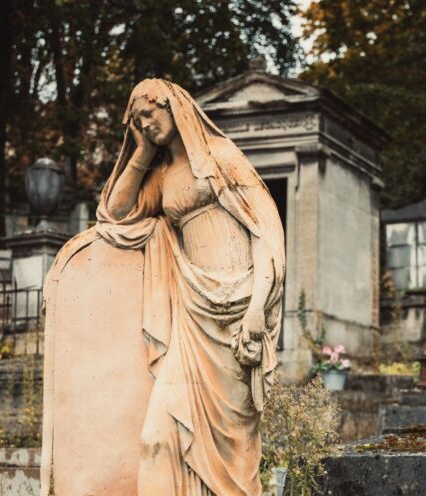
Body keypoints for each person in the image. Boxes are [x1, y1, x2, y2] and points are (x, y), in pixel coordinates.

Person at [42, 79, 285, 496]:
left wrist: (257, 307)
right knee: (157, 437)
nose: (145, 124)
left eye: (149, 115)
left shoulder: (222, 158)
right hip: (192, 317)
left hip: (239, 308)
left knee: (234, 447)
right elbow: (114, 213)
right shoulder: (164, 176)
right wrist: (141, 153)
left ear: (173, 107)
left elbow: (264, 231)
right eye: (136, 121)